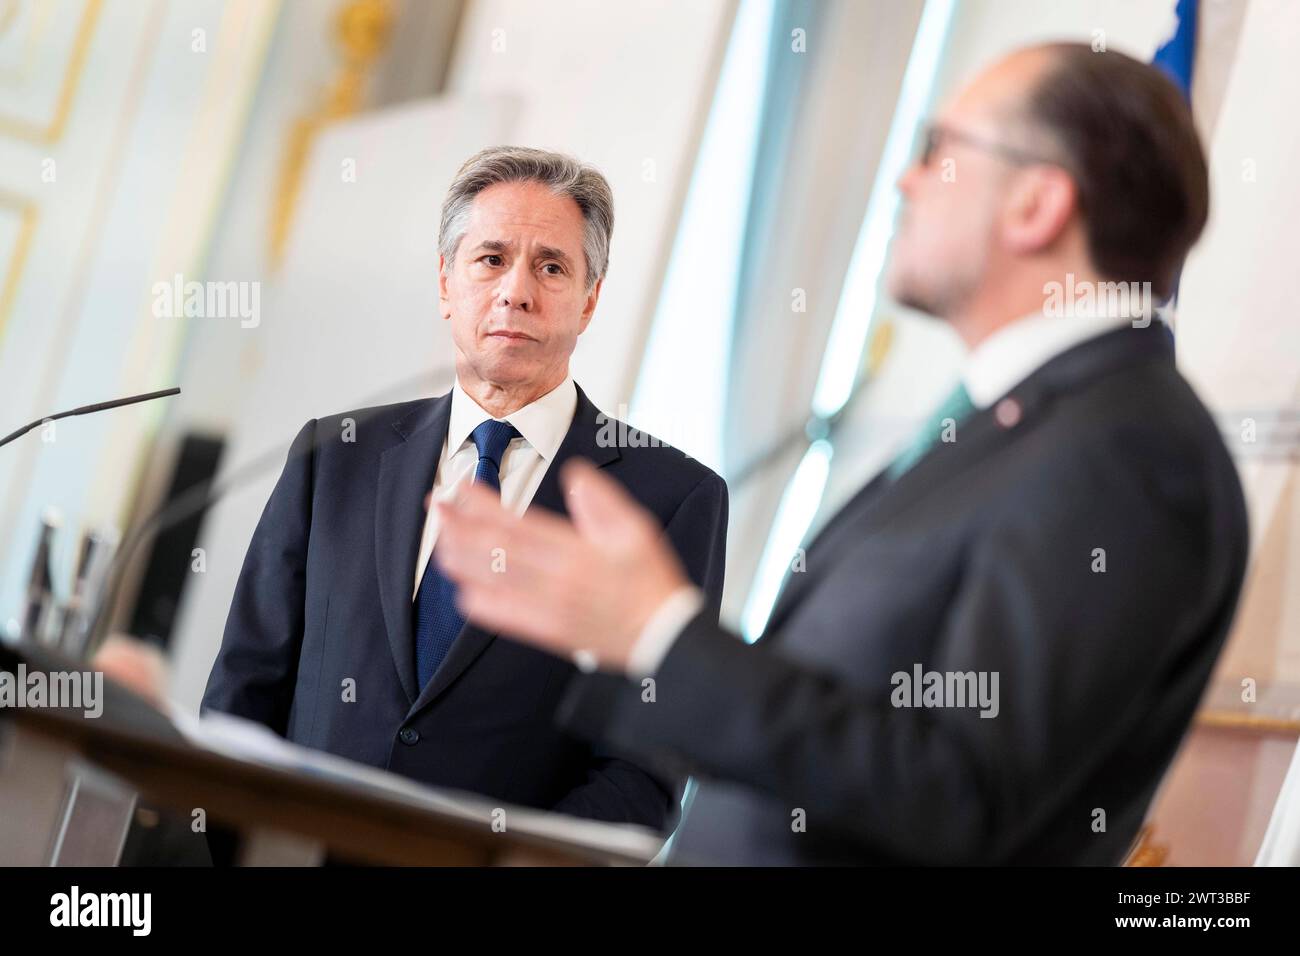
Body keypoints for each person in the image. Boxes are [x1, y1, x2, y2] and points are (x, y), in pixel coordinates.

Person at [433, 45, 1249, 864]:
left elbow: (959, 795)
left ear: (1036, 203)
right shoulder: (1017, 421)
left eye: (939, 151)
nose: (906, 181)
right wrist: (629, 638)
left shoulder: (1128, 452)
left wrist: (662, 636)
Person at [203, 146, 728, 833]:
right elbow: (242, 692)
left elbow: (644, 772)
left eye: (551, 267)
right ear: (446, 282)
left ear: (590, 300)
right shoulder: (334, 458)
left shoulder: (670, 499)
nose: (516, 290)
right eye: (490, 259)